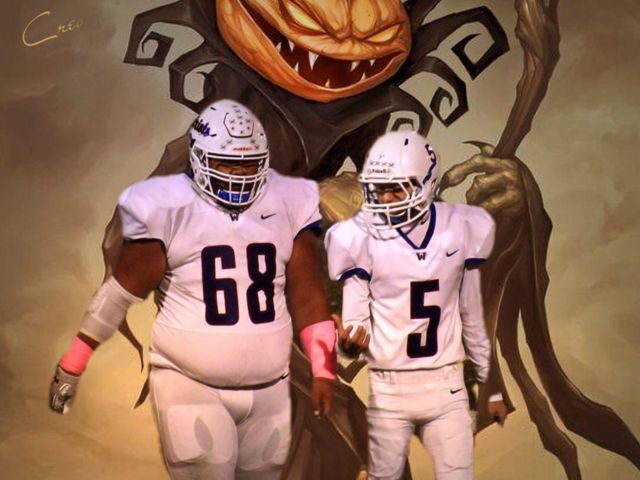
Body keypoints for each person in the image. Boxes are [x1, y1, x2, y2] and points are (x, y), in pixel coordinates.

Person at [49, 99, 337, 480]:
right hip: (191, 385)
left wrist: (324, 368)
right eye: (227, 163)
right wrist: (73, 362)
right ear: (199, 159)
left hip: (269, 388)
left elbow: (307, 293)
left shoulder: (288, 202)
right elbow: (121, 293)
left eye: (249, 164)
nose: (239, 174)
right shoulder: (169, 208)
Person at [324, 131, 507, 480]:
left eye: (398, 188)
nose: (387, 198)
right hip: (390, 387)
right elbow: (355, 320)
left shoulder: (457, 235)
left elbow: (472, 319)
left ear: (426, 185)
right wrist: (349, 342)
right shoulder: (359, 242)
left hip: (444, 385)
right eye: (381, 189)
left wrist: (491, 386)